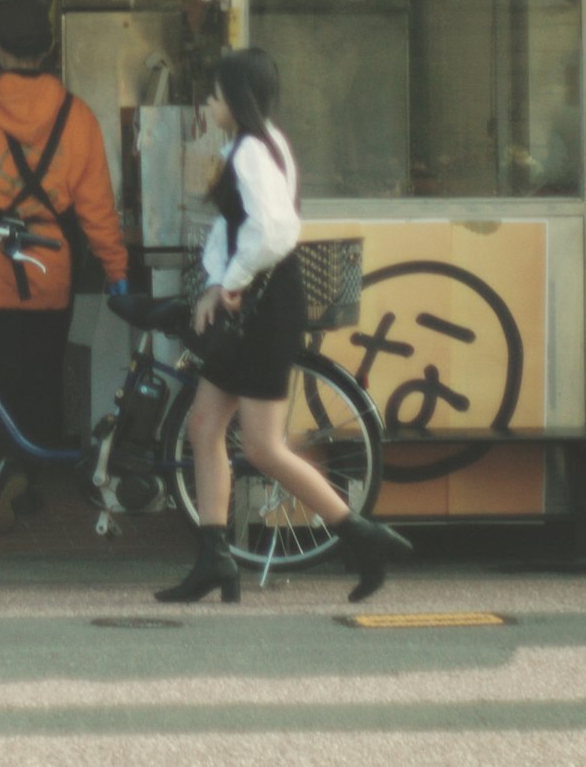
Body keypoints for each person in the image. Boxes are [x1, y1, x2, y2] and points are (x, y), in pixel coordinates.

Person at [157, 46, 411, 607]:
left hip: (265, 308)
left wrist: (229, 286)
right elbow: (241, 228)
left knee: (264, 447)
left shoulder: (250, 151)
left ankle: (361, 537)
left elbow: (275, 231)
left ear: (237, 100)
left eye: (215, 93)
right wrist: (220, 285)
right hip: (256, 302)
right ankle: (214, 556)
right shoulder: (259, 144)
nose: (208, 101)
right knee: (203, 426)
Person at [0, 0, 127, 517]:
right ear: (51, 47)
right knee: (41, 377)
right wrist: (117, 270)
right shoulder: (77, 117)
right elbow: (98, 209)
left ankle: (3, 471)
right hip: (51, 271)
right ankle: (28, 477)